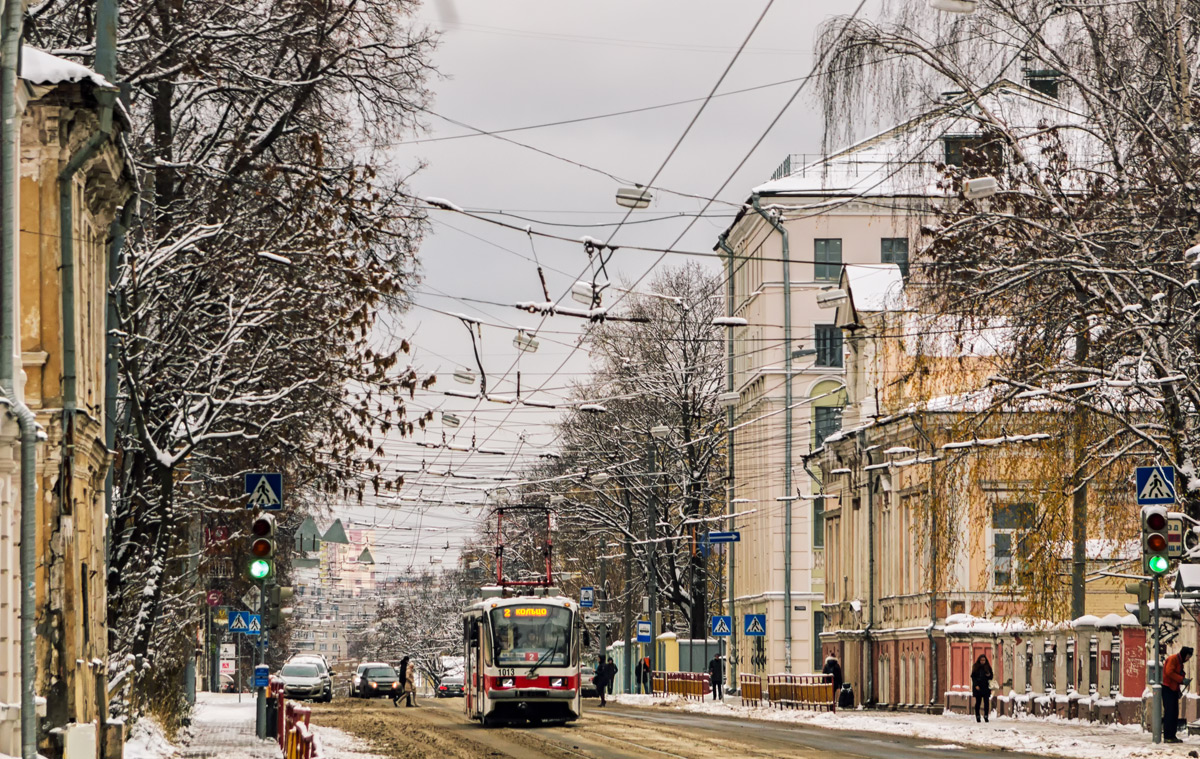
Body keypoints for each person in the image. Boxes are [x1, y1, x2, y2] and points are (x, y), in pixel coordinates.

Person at [1163, 645, 1194, 742]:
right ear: (1184, 654)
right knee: (1170, 713)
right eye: (1188, 656)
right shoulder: (1173, 659)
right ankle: (1168, 736)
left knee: (1174, 713)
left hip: (1173, 689)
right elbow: (1169, 672)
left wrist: (1179, 688)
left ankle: (1172, 736)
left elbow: (1175, 677)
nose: (1188, 659)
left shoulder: (1179, 662)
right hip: (1167, 688)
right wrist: (1182, 679)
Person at [970, 653, 993, 723]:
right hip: (978, 687)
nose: (982, 661)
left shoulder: (988, 667)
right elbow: (973, 677)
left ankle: (986, 716)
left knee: (986, 702)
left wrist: (989, 675)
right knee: (978, 702)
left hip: (985, 687)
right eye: (981, 660)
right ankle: (977, 716)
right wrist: (976, 685)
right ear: (979, 660)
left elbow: (991, 676)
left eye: (984, 660)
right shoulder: (976, 666)